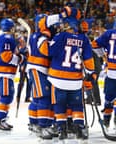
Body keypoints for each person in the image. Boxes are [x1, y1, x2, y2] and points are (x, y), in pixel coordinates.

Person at [44, 14, 95, 140]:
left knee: (59, 105)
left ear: (69, 25)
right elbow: (88, 61)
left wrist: (45, 38)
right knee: (77, 106)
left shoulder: (60, 36)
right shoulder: (84, 39)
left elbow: (49, 52)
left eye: (65, 24)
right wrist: (90, 74)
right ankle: (79, 128)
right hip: (75, 80)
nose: (62, 26)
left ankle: (61, 129)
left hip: (58, 79)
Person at [26, 7, 72, 139]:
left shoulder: (39, 35)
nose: (55, 27)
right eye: (52, 25)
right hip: (38, 69)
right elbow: (47, 52)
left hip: (40, 69)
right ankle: (43, 126)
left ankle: (34, 123)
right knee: (44, 97)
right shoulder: (40, 36)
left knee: (38, 98)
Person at [0, 18, 24, 131]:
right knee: (6, 96)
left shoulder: (0, 37)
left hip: (2, 72)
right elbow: (6, 57)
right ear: (11, 27)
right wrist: (21, 58)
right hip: (3, 72)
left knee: (8, 96)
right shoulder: (7, 38)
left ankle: (2, 119)